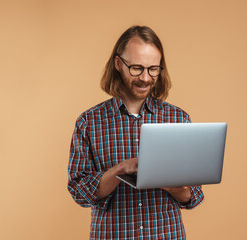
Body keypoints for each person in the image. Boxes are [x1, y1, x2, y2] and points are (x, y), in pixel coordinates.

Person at [68, 25, 204, 239]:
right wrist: (120, 170)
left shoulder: (178, 119)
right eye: (137, 68)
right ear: (118, 64)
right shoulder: (89, 122)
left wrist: (171, 185)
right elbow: (79, 191)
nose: (146, 78)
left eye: (153, 69)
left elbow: (194, 196)